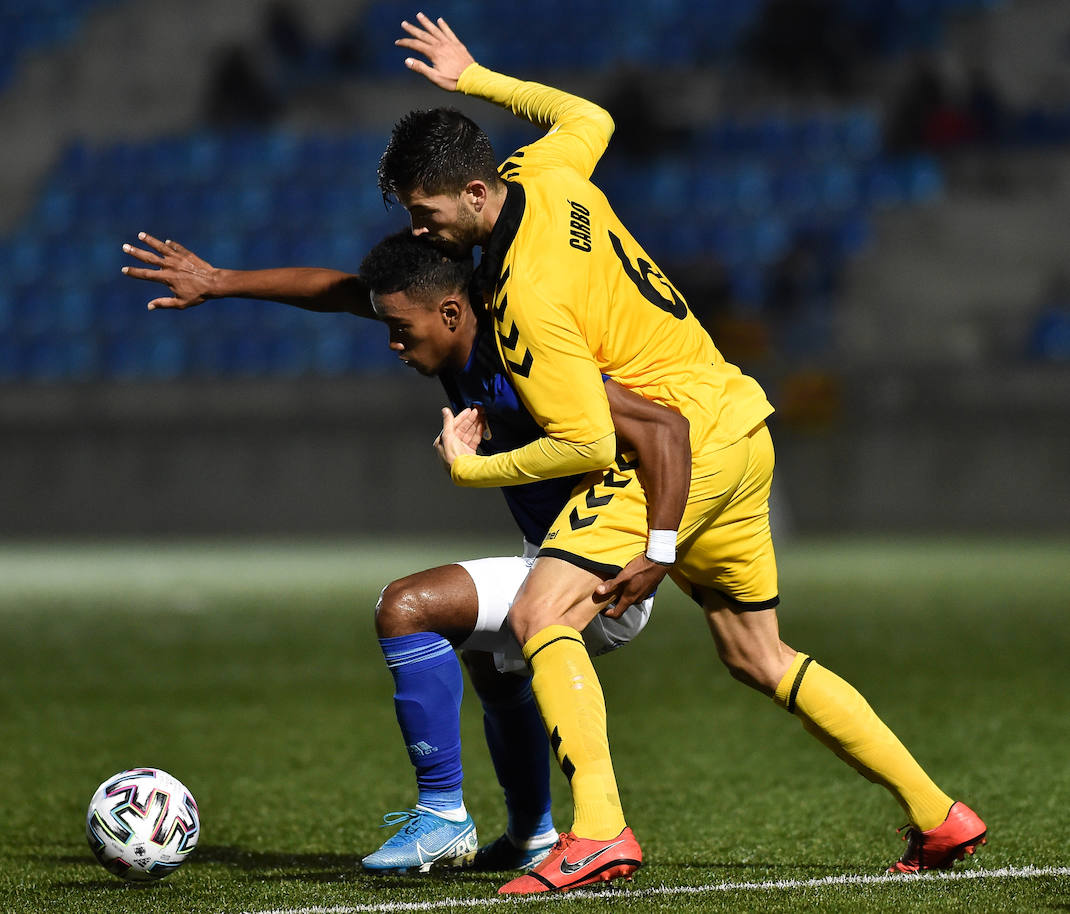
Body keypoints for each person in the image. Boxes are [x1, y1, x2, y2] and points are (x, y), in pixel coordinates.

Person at [383, 14, 985, 893]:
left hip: (678, 447)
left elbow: (587, 441)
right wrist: (477, 77)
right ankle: (938, 813)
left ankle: (597, 831)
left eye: (426, 215)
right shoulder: (543, 174)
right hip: (739, 423)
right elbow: (588, 116)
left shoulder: (528, 297)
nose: (421, 233)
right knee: (758, 654)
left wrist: (473, 469)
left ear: (475, 194)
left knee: (543, 613)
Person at [121, 230, 689, 874]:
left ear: (450, 313)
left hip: (599, 572)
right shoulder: (445, 320)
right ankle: (531, 833)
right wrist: (220, 281)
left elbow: (663, 427)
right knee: (488, 661)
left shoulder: (526, 354)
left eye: (400, 330)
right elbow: (337, 291)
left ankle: (443, 813)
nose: (392, 343)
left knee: (406, 606)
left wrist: (659, 552)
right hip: (555, 552)